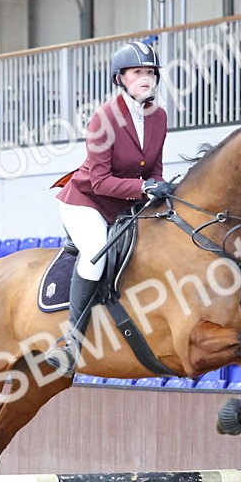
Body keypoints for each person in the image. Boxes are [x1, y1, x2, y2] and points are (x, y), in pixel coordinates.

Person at [45, 40, 174, 375]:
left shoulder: (159, 117)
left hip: (125, 203)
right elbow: (100, 181)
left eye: (150, 72)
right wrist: (143, 187)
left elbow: (153, 167)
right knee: (94, 252)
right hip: (87, 201)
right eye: (137, 72)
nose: (145, 78)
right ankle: (71, 341)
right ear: (121, 79)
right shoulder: (103, 119)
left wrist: (157, 188)